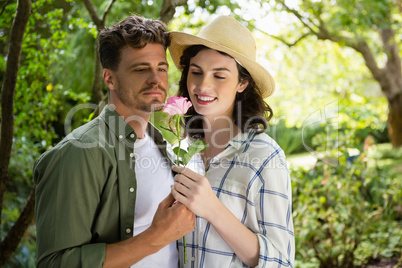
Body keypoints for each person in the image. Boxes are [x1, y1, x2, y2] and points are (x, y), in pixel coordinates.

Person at [33, 15, 194, 268]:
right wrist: (156, 237)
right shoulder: (79, 153)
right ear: (109, 79)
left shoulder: (161, 144)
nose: (156, 79)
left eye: (161, 68)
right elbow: (54, 263)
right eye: (141, 69)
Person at [168, 15, 295, 267]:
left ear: (242, 83)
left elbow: (280, 262)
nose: (203, 85)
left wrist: (212, 208)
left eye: (219, 75)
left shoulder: (265, 157)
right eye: (197, 72)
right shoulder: (179, 151)